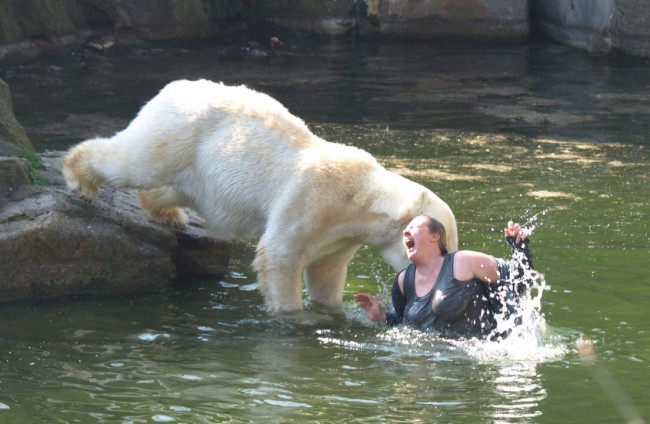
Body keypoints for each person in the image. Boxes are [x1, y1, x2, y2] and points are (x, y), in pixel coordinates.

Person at [354, 216, 535, 339]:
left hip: (478, 360)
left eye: (413, 227)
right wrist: (381, 317)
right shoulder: (403, 281)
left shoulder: (464, 262)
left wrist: (520, 248)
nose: (405, 233)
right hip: (432, 367)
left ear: (435, 236)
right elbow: (402, 325)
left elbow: (518, 282)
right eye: (404, 231)